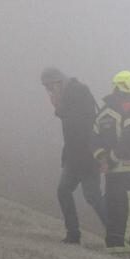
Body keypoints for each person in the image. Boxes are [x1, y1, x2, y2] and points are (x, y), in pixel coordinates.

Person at [42, 67, 104, 243]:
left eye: (50, 86)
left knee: (92, 195)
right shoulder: (73, 91)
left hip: (85, 153)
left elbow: (78, 123)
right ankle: (73, 233)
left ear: (57, 82)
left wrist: (58, 108)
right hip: (74, 154)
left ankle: (117, 236)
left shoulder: (76, 92)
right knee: (65, 191)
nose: (49, 91)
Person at [92, 71, 130, 257]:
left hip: (111, 174)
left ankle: (113, 246)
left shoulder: (102, 112)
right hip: (129, 172)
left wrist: (103, 159)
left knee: (114, 209)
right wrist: (114, 159)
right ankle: (125, 249)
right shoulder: (128, 110)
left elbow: (94, 140)